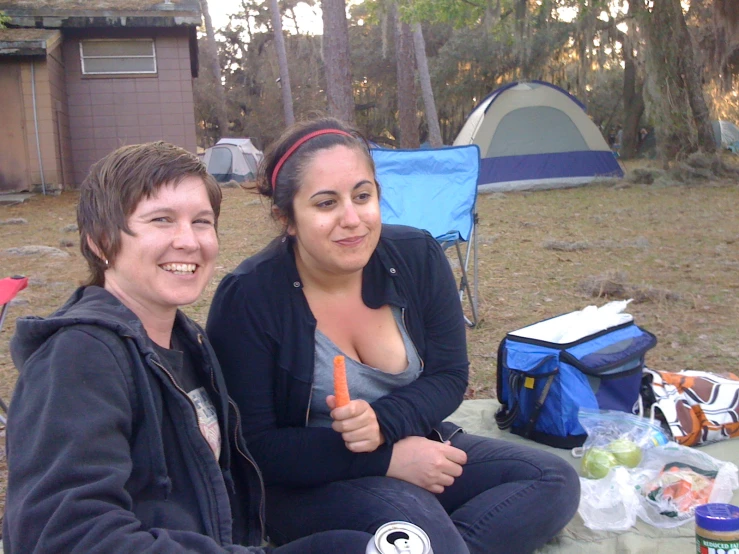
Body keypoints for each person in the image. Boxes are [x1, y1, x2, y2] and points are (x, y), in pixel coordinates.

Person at [206, 117, 581, 554]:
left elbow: (448, 375)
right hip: (303, 483)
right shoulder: (249, 297)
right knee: (422, 533)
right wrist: (387, 459)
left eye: (362, 196)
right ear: (286, 218)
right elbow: (255, 447)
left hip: (411, 440)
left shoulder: (416, 256)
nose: (352, 219)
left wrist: (385, 427)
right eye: (326, 204)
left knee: (552, 479)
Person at [3, 142, 372, 553]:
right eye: (161, 220)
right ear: (101, 242)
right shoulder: (78, 358)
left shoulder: (186, 340)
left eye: (201, 221)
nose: (189, 241)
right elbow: (63, 535)